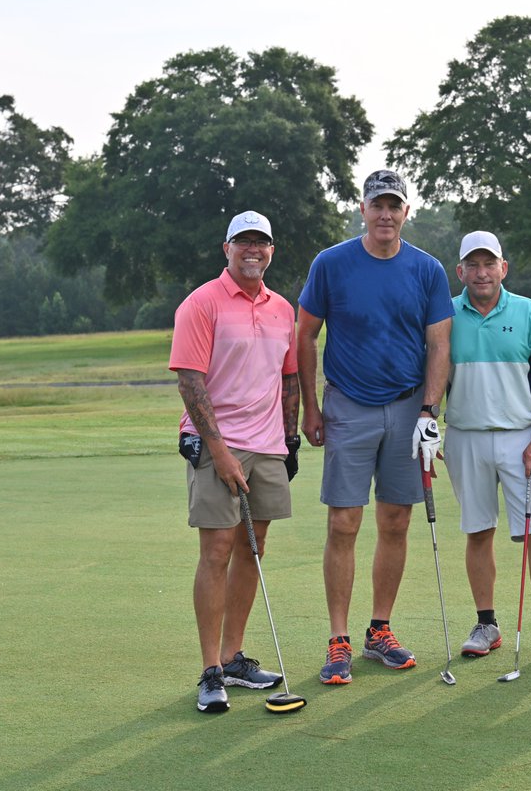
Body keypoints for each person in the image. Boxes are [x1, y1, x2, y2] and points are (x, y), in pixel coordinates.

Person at [297, 170, 453, 685]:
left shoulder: (427, 270)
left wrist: (430, 411)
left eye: (394, 205)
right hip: (348, 406)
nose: (385, 214)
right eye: (377, 204)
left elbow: (438, 346)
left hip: (409, 408)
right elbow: (305, 337)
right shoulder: (332, 264)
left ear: (407, 211)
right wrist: (310, 409)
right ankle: (338, 639)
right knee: (343, 522)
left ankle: (378, 630)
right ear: (361, 209)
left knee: (395, 521)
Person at [169, 210, 301, 713]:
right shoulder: (201, 303)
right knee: (217, 550)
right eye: (244, 242)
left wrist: (288, 439)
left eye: (262, 243)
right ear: (226, 248)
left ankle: (233, 657)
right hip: (217, 442)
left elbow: (288, 378)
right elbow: (189, 381)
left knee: (254, 546)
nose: (254, 250)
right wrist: (220, 452)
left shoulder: (281, 308)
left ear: (271, 250)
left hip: (268, 444)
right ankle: (209, 672)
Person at [444, 231, 531, 667]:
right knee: (478, 531)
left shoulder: (528, 312)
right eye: (474, 265)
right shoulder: (445, 315)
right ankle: (486, 623)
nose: (482, 273)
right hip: (464, 436)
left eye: (490, 264)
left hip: (521, 438)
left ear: (503, 268)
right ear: (461, 271)